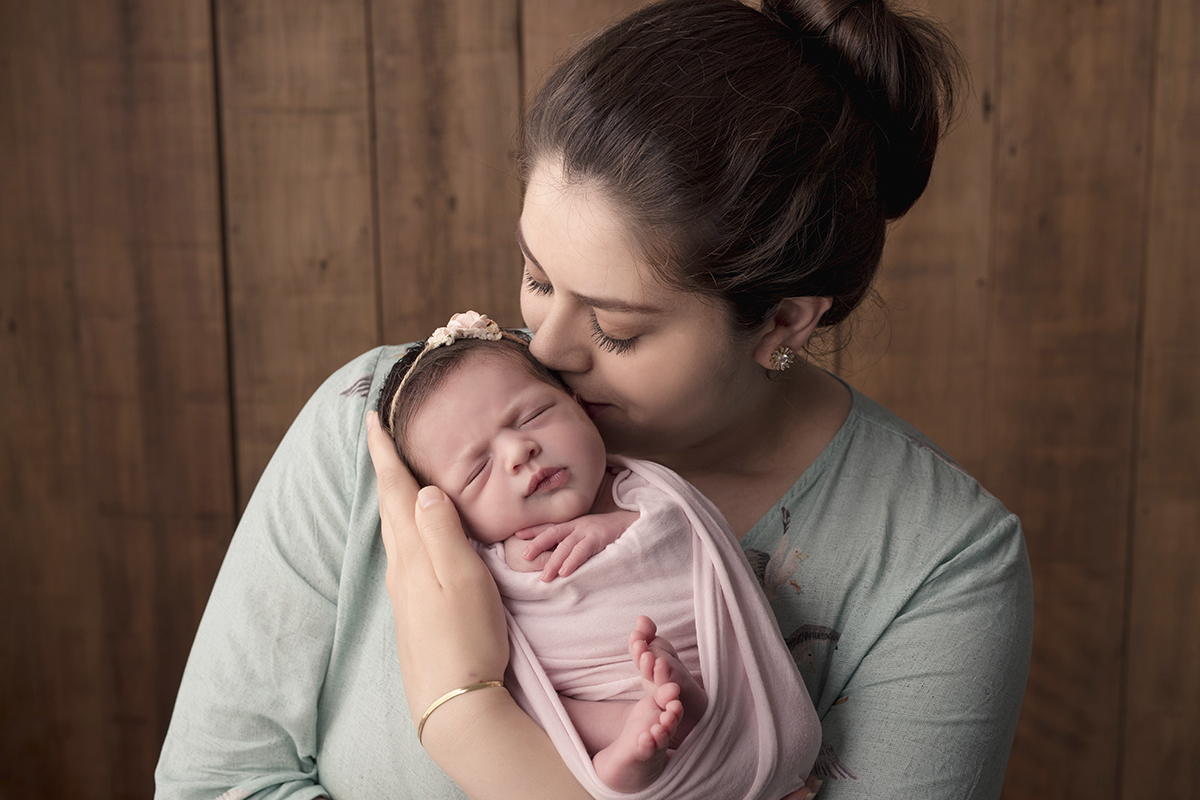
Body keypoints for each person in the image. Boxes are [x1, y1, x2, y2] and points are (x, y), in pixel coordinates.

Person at [156, 1, 1034, 799]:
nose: (543, 350)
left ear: (783, 321)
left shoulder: (938, 566)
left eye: (615, 328)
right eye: (537, 278)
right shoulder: (386, 424)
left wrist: (464, 715)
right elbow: (214, 784)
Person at [375, 311, 819, 796]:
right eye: (478, 469)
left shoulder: (636, 489)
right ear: (452, 510)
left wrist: (612, 527)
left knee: (681, 679)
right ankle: (627, 749)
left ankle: (697, 718)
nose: (519, 451)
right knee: (557, 711)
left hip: (708, 667)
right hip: (591, 700)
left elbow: (685, 530)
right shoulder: (477, 562)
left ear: (578, 406)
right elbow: (503, 665)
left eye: (532, 416)